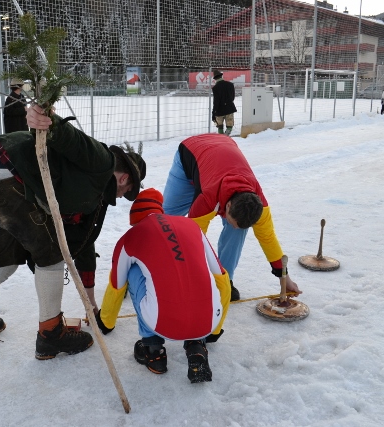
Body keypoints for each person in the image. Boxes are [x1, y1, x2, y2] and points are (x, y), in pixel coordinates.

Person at [0, 104, 147, 362]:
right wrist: (45, 117)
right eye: (127, 192)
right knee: (51, 254)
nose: (120, 198)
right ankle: (51, 335)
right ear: (124, 179)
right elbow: (68, 137)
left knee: (3, 262)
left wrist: (90, 304)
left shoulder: (92, 192)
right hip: (6, 169)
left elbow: (85, 243)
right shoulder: (102, 161)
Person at [94, 188, 231, 383]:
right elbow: (222, 279)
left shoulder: (131, 237)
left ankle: (153, 350)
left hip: (161, 321)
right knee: (191, 268)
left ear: (135, 218)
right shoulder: (192, 226)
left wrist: (105, 323)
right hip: (207, 321)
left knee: (133, 271)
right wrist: (214, 330)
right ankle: (197, 346)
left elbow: (117, 284)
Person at [162, 133, 302, 303]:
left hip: (222, 150)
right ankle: (153, 265)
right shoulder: (207, 199)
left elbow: (268, 239)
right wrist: (195, 282)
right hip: (191, 151)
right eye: (232, 221)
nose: (234, 227)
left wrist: (284, 278)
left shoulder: (259, 206)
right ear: (227, 206)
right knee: (166, 218)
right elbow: (193, 241)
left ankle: (225, 279)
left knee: (238, 230)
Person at [211, 70, 237, 136]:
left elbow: (216, 101)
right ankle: (226, 136)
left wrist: (214, 112)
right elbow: (232, 97)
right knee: (230, 125)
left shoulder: (215, 88)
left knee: (220, 126)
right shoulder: (230, 85)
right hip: (229, 108)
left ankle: (222, 138)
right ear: (221, 76)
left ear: (215, 79)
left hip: (219, 110)